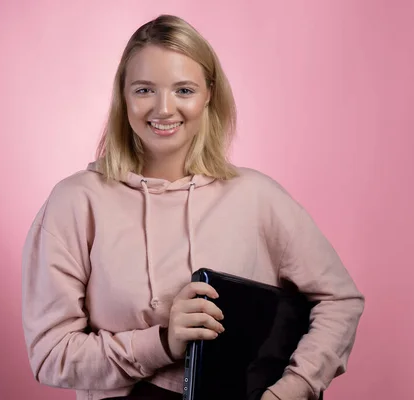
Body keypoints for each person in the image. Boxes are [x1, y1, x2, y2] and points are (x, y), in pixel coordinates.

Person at [21, 14, 364, 400]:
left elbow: (340, 300)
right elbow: (50, 355)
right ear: (123, 95)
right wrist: (164, 341)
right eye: (145, 89)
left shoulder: (257, 197)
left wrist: (293, 389)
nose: (164, 109)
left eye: (183, 90)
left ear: (209, 95)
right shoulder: (75, 202)